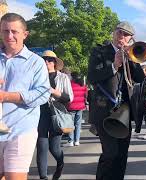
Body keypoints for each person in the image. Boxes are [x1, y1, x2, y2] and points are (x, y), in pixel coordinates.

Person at [87, 21, 145, 180]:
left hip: (124, 111)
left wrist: (132, 59)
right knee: (110, 153)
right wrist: (114, 65)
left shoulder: (131, 54)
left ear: (131, 39)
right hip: (105, 109)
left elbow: (140, 78)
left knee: (121, 154)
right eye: (120, 32)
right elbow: (92, 77)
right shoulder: (99, 51)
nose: (122, 37)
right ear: (114, 33)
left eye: (126, 35)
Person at [0, 13, 51, 180]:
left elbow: (42, 94)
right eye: (5, 31)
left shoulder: (35, 62)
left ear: (25, 34)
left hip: (20, 132)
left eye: (14, 31)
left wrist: (6, 96)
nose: (9, 36)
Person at [36, 50, 74, 180]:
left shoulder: (62, 77)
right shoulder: (37, 76)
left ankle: (60, 162)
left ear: (55, 63)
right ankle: (43, 177)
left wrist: (53, 91)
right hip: (40, 113)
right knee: (41, 145)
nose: (46, 62)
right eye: (44, 60)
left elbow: (69, 98)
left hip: (56, 114)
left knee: (54, 148)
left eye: (50, 60)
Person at [65, 72, 88, 146]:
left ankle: (70, 141)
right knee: (78, 124)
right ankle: (77, 141)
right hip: (80, 107)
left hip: (71, 107)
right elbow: (85, 96)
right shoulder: (83, 85)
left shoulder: (70, 85)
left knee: (70, 124)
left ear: (72, 77)